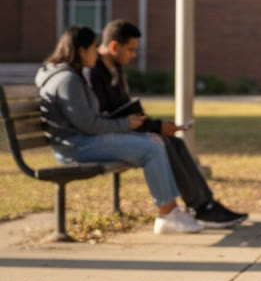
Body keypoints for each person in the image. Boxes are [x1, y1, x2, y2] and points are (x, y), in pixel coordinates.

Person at [36, 25, 203, 234]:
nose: (97, 53)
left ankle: (170, 211)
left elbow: (88, 122)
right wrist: (125, 125)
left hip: (80, 142)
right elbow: (88, 124)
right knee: (151, 148)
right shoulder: (67, 80)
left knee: (153, 142)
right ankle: (168, 214)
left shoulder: (70, 76)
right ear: (81, 50)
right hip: (76, 147)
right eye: (94, 47)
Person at [83, 19, 247, 229]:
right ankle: (191, 209)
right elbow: (106, 118)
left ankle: (205, 205)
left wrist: (156, 124)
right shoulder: (93, 73)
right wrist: (155, 127)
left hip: (122, 130)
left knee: (173, 141)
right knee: (162, 142)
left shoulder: (115, 69)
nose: (133, 55)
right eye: (131, 50)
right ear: (114, 46)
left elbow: (123, 110)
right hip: (107, 138)